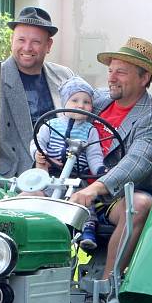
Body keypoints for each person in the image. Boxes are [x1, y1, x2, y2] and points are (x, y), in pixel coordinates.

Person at [67, 37, 152, 279]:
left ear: (144, 79)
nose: (111, 77)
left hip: (115, 195)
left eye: (121, 72)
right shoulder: (95, 101)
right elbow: (60, 121)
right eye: (110, 70)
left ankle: (107, 285)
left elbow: (136, 163)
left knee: (139, 206)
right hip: (76, 185)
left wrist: (93, 190)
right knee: (27, 196)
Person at [0, 6, 73, 182]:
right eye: (21, 39)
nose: (27, 48)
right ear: (12, 40)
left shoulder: (64, 76)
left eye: (36, 41)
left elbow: (90, 108)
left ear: (48, 45)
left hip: (62, 178)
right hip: (12, 179)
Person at [30, 76, 106, 250]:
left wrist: (100, 169)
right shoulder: (51, 124)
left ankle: (87, 230)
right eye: (75, 100)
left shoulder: (90, 130)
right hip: (52, 176)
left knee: (84, 202)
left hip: (76, 177)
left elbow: (94, 154)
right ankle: (43, 230)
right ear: (65, 102)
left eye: (86, 102)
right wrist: (39, 154)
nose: (81, 105)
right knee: (46, 198)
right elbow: (37, 142)